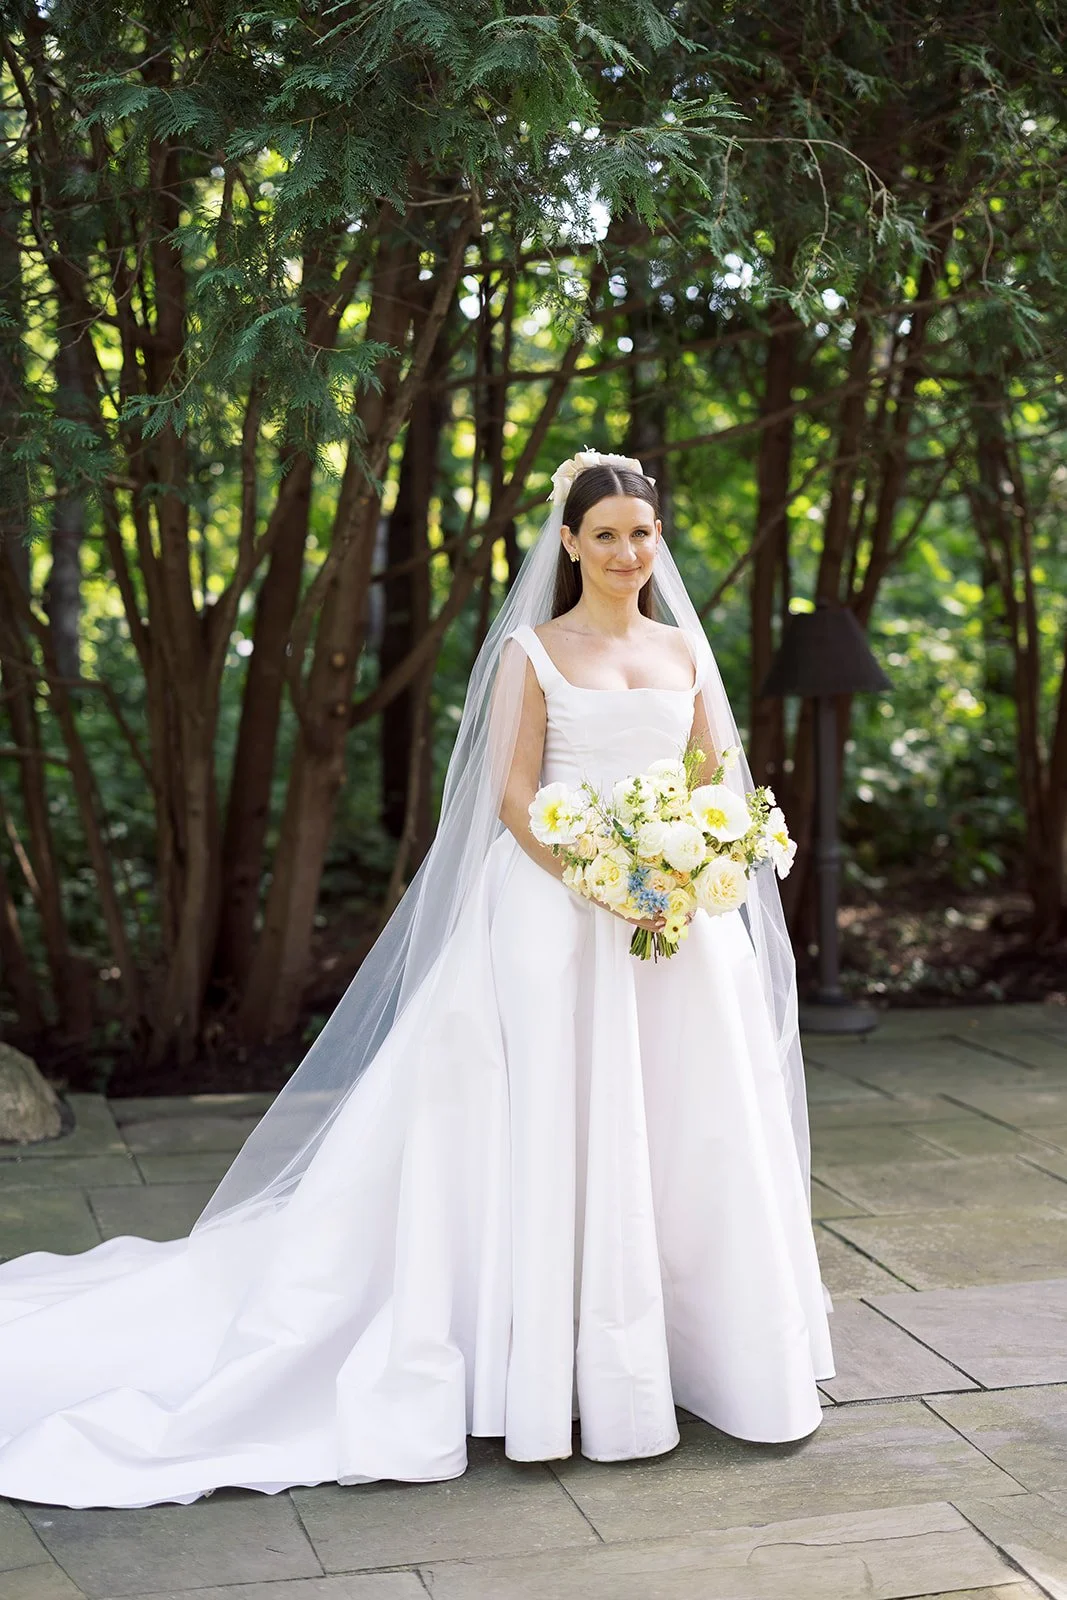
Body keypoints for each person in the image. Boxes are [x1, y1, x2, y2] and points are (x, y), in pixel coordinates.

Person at [0, 450, 834, 1509]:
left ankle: (695, 1348)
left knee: (687, 1122)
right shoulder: (535, 651)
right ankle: (538, 1363)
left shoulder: (683, 653)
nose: (630, 552)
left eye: (643, 531)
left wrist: (695, 862)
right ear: (568, 542)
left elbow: (718, 782)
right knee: (542, 1122)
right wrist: (600, 876)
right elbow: (513, 794)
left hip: (672, 921)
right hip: (556, 912)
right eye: (609, 533)